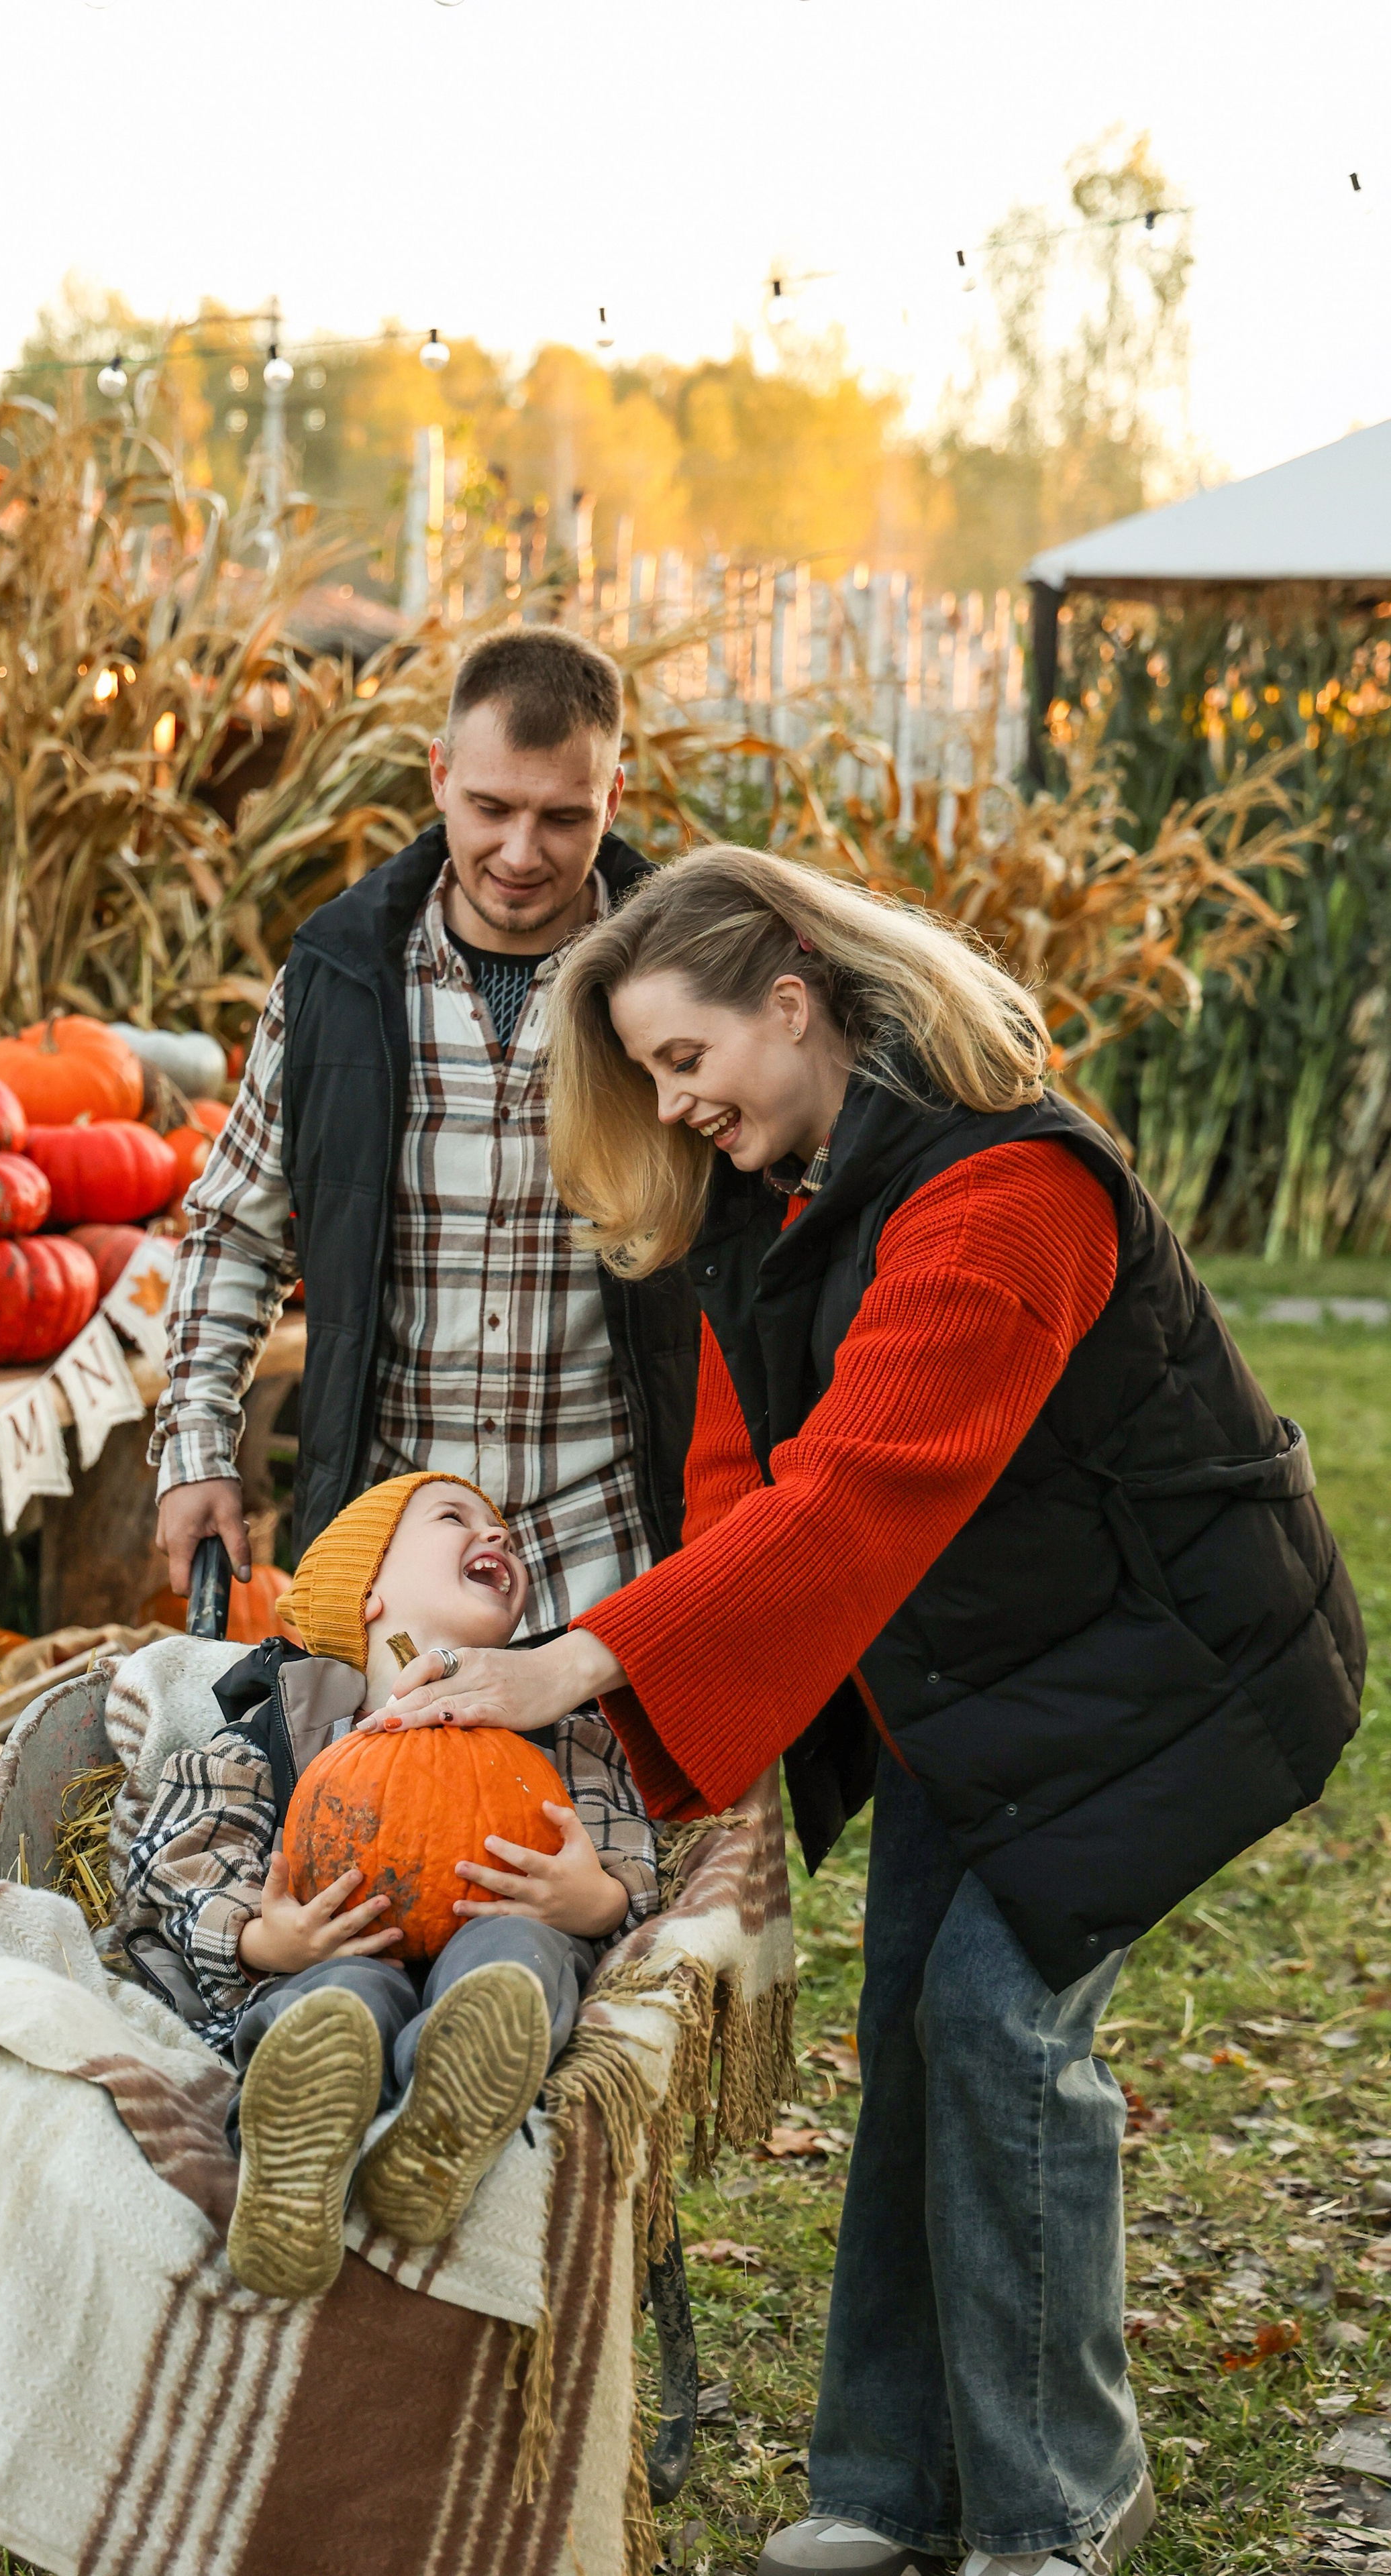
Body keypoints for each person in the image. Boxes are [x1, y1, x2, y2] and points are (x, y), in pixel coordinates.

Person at [369, 847, 1365, 2576]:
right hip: (981, 1681)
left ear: (790, 999)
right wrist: (712, 1752)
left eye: (686, 1061)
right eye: (650, 1080)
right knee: (908, 2022)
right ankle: (888, 2484)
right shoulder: (778, 1191)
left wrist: (565, 1661)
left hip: (1169, 1671)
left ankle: (1060, 2497)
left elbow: (847, 1496)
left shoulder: (1005, 1194)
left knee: (989, 2023)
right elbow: (739, 1474)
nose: (675, 1107)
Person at [148, 625, 698, 1640]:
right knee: (388, 1805)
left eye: (563, 817)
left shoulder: (684, 981)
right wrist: (199, 1451)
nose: (521, 854)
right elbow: (237, 1229)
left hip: (614, 1553)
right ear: (439, 776)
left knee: (595, 1812)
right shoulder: (337, 982)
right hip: (392, 1568)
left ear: (613, 800)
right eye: (491, 808)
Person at [119, 1471, 658, 2302]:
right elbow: (186, 1851)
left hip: (499, 1926)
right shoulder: (285, 1725)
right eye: (455, 1519)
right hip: (338, 1951)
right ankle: (294, 2155)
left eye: (505, 1529)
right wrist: (264, 1939)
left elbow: (624, 1843)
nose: (499, 1536)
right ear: (366, 1592)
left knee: (518, 1961)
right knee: (333, 2000)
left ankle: (438, 2128)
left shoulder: (555, 1719)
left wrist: (595, 1901)